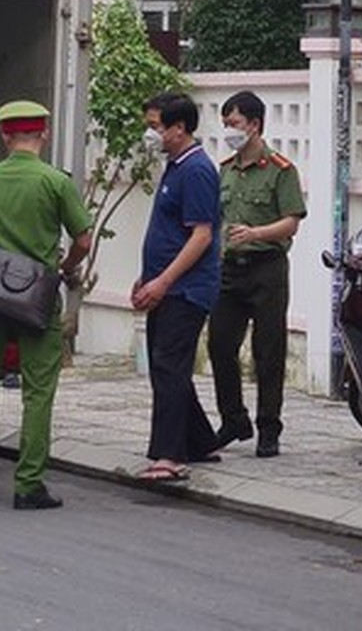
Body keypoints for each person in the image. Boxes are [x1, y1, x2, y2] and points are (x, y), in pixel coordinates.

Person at [0, 99, 91, 511]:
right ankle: (28, 485)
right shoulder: (55, 182)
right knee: (38, 391)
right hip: (38, 295)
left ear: (4, 135)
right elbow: (83, 239)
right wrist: (63, 267)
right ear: (43, 133)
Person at [208, 90, 307, 458]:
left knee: (268, 351)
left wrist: (256, 233)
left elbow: (292, 222)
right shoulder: (225, 171)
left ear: (254, 124)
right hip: (230, 270)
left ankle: (269, 427)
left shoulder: (281, 169)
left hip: (267, 267)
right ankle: (234, 418)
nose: (229, 131)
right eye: (226, 125)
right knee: (219, 345)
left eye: (234, 124)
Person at [133, 92, 221, 482]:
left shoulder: (197, 170)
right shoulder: (175, 166)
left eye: (155, 126)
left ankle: (169, 455)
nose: (150, 134)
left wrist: (164, 280)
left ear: (179, 128)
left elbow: (201, 235)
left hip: (186, 290)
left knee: (169, 366)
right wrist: (147, 276)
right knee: (167, 365)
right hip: (165, 284)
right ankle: (199, 439)